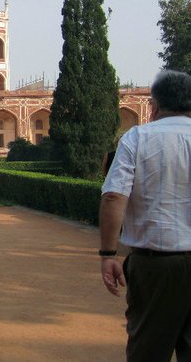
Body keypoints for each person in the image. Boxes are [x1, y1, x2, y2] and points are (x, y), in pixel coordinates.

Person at [99, 70, 191, 362]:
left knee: (148, 352)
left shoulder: (138, 137)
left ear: (153, 106)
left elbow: (114, 196)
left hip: (156, 266)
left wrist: (108, 254)